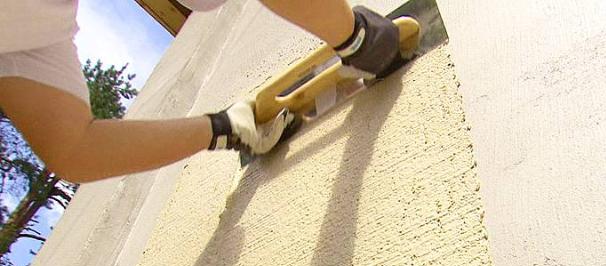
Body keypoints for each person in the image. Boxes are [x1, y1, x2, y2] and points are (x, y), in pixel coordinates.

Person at [0, 0, 400, 183]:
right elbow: (75, 152)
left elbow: (74, 149)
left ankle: (359, 42)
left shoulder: (30, 32)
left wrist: (352, 36)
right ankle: (360, 43)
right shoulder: (28, 34)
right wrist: (225, 128)